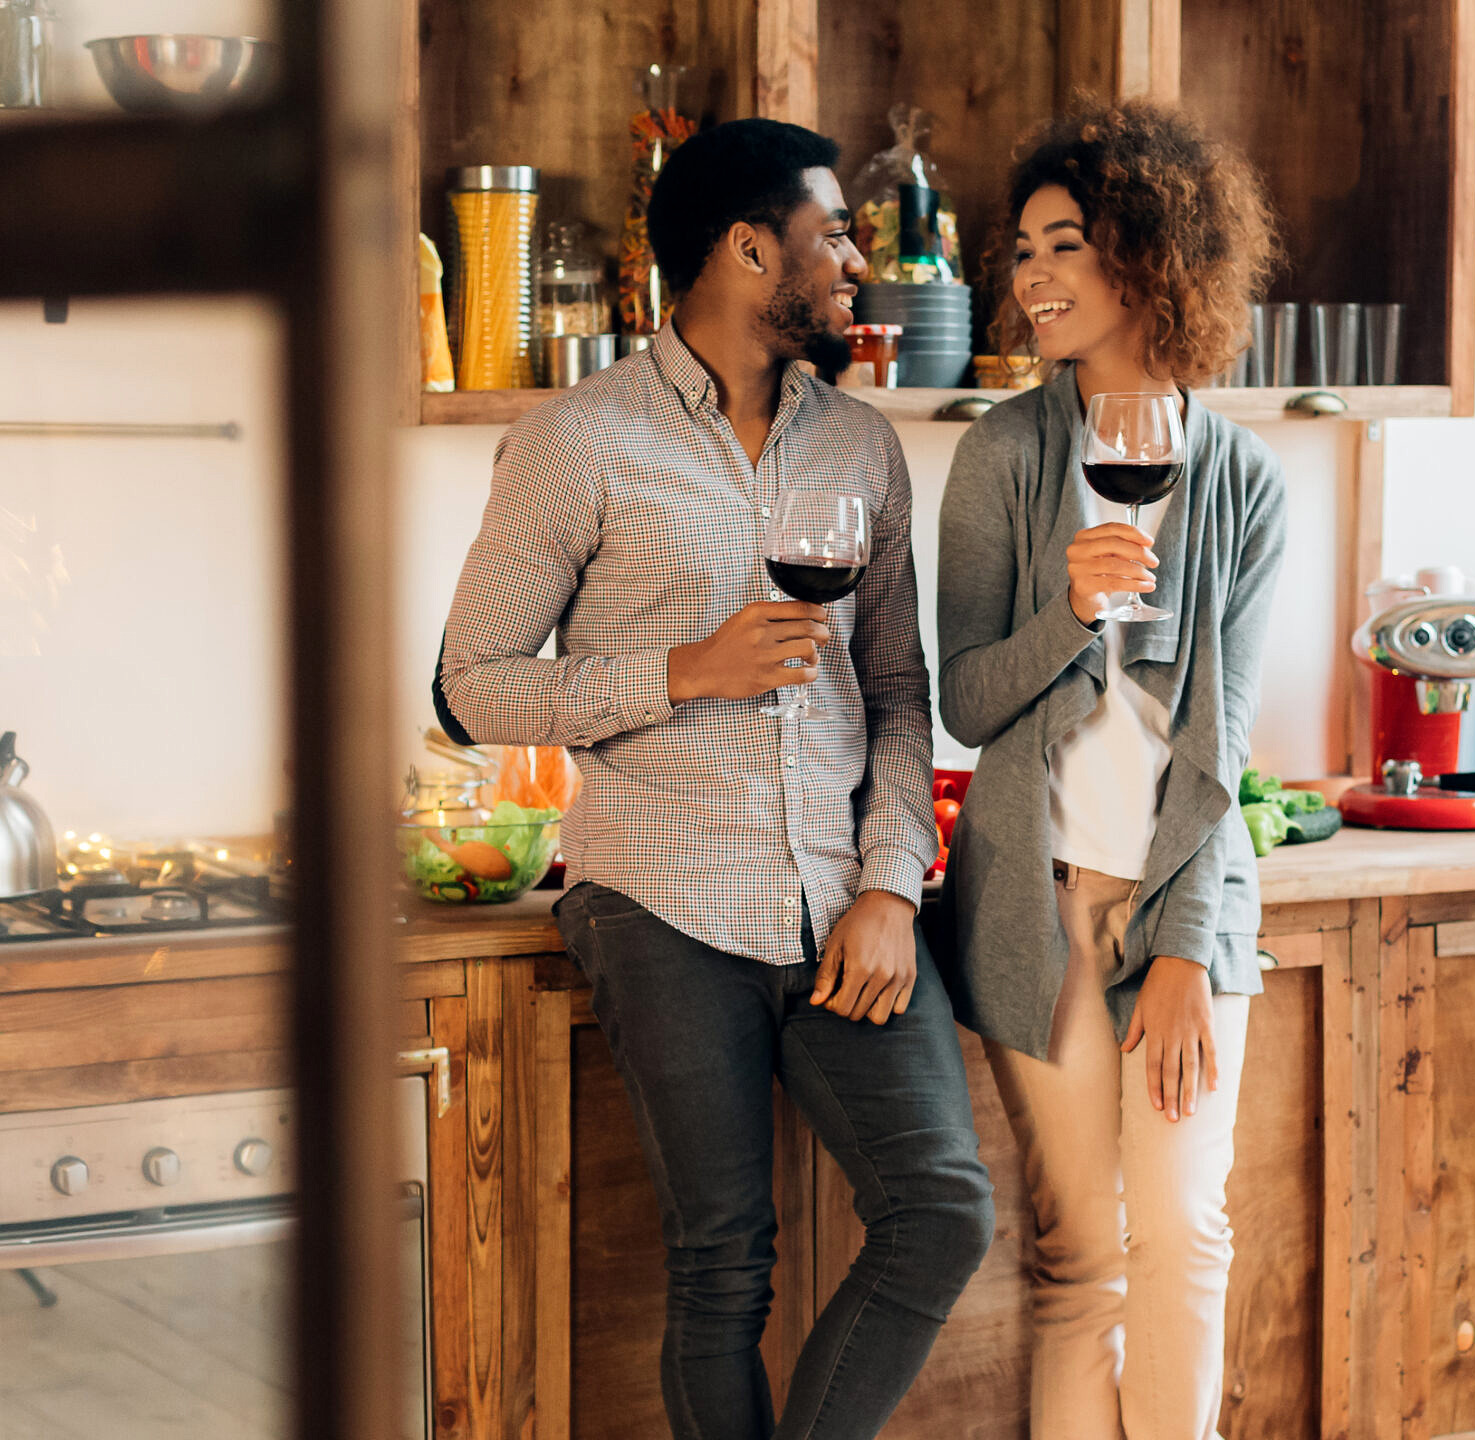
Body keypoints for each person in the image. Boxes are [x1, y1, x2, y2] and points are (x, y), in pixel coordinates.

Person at [438, 117, 992, 1440]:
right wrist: (680, 671)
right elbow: (471, 685)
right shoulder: (579, 443)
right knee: (720, 1271)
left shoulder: (861, 448)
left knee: (942, 1211)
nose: (859, 260)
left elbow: (901, 696)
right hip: (666, 900)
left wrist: (891, 884)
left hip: (843, 906)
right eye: (833, 234)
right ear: (752, 250)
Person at [933, 98, 1287, 1440]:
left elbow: (1225, 739)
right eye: (1020, 251)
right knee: (1078, 1259)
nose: (1030, 278)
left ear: (1149, 254)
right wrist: (1064, 618)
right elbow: (967, 701)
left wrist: (1191, 946)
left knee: (1187, 1240)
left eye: (1063, 244)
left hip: (1182, 910)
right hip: (1039, 911)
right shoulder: (1002, 458)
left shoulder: (1242, 479)